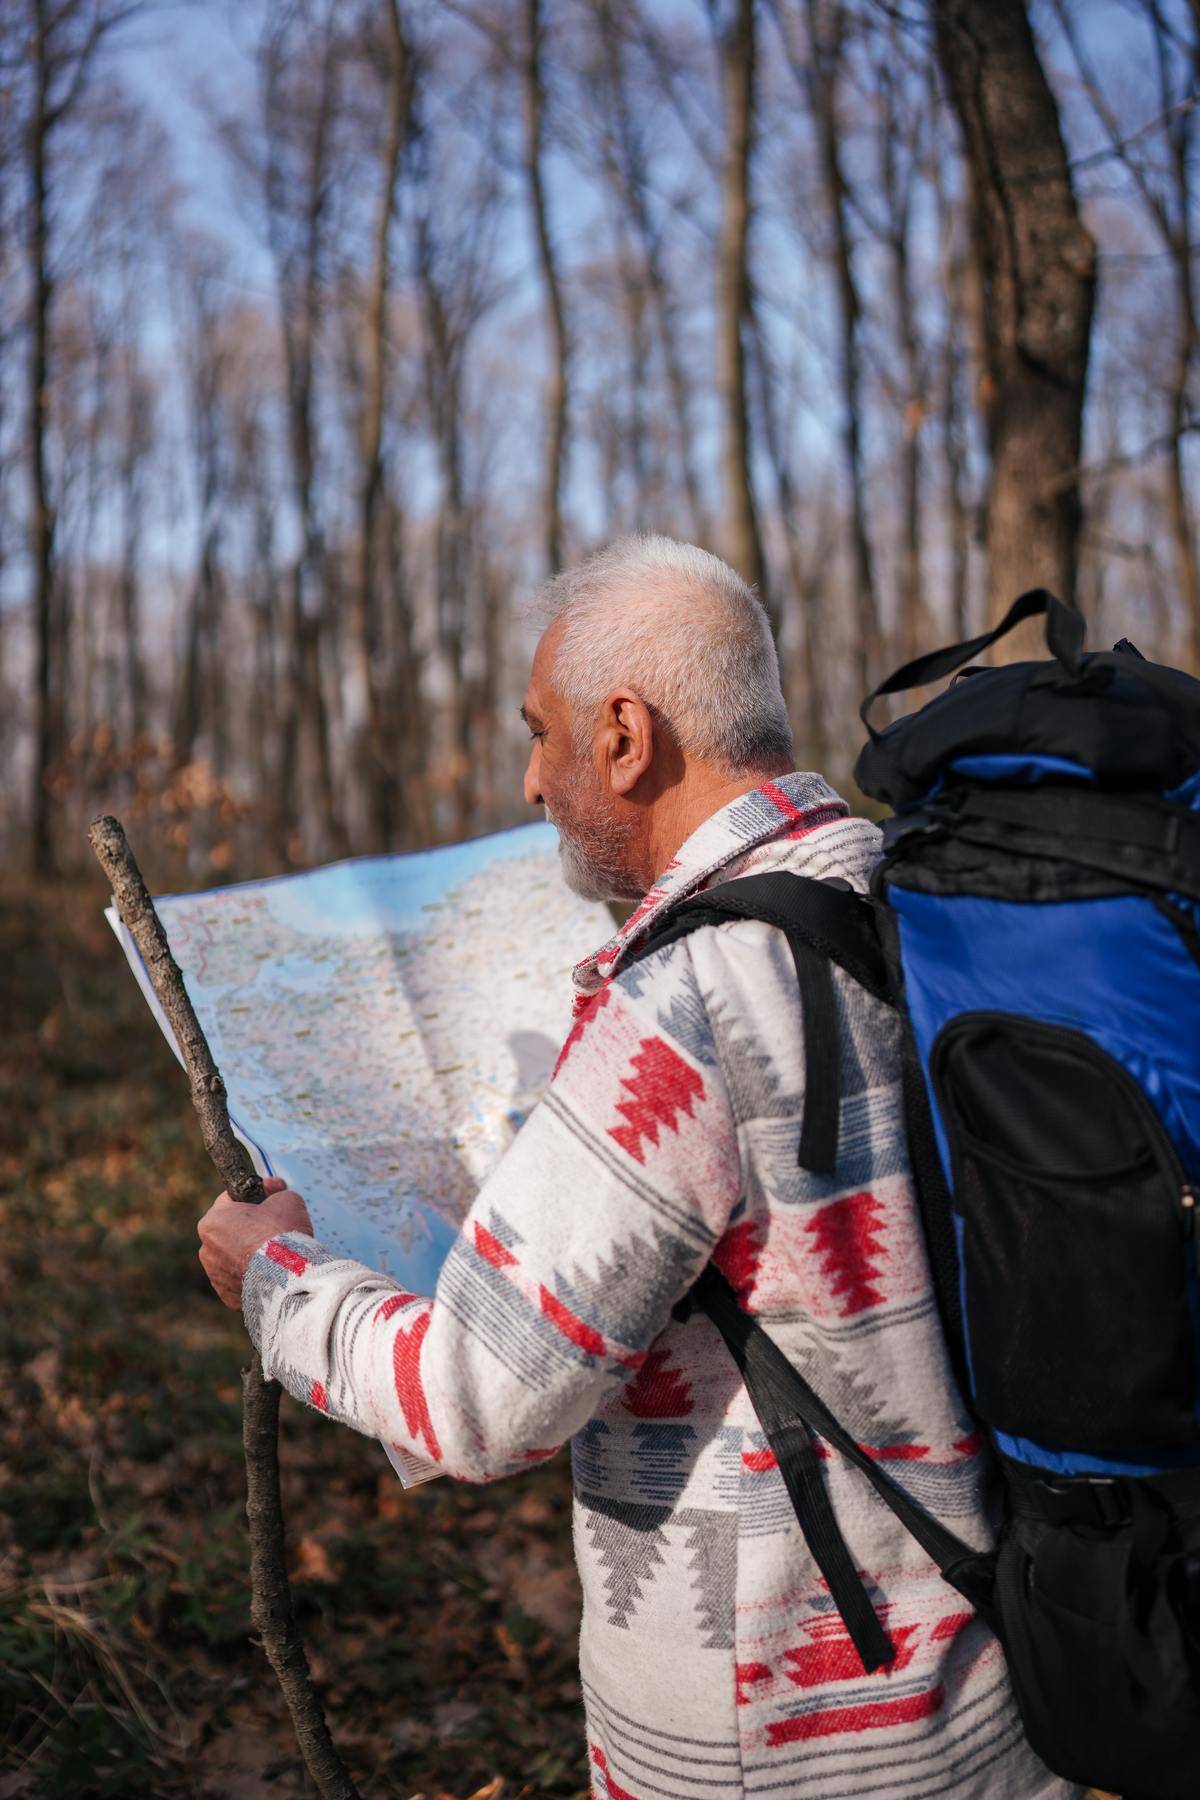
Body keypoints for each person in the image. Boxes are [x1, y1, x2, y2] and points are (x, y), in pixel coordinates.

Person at [198, 535, 1077, 1799]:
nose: (529, 778)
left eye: (540, 733)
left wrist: (276, 1279)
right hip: (988, 1691)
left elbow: (478, 1402)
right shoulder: (900, 892)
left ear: (624, 735)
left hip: (779, 1742)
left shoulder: (688, 999)